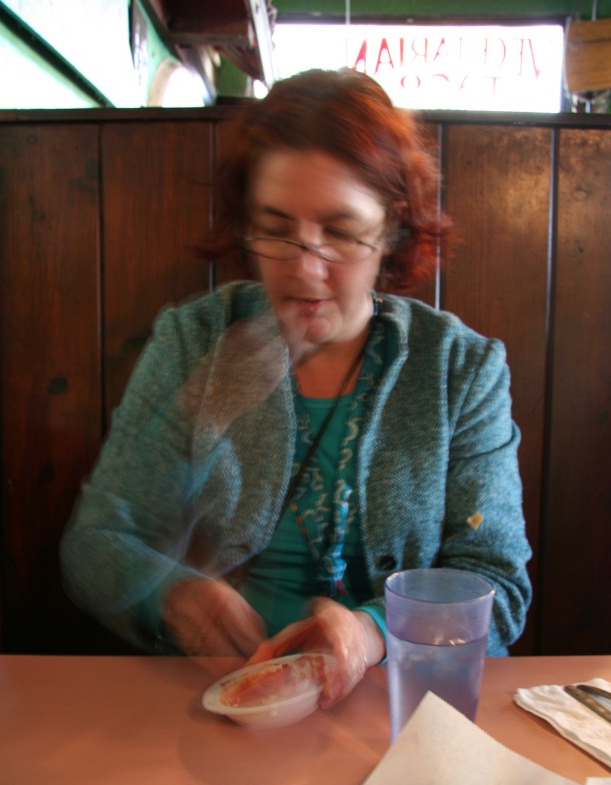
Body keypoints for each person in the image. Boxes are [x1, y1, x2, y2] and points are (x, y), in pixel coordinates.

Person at [60, 68, 532, 709]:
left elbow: (494, 583)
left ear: (391, 228)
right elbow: (95, 543)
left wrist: (372, 631)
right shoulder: (195, 341)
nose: (306, 271)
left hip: (390, 710)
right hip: (203, 707)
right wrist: (171, 593)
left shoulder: (460, 370)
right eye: (277, 228)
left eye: (341, 231)